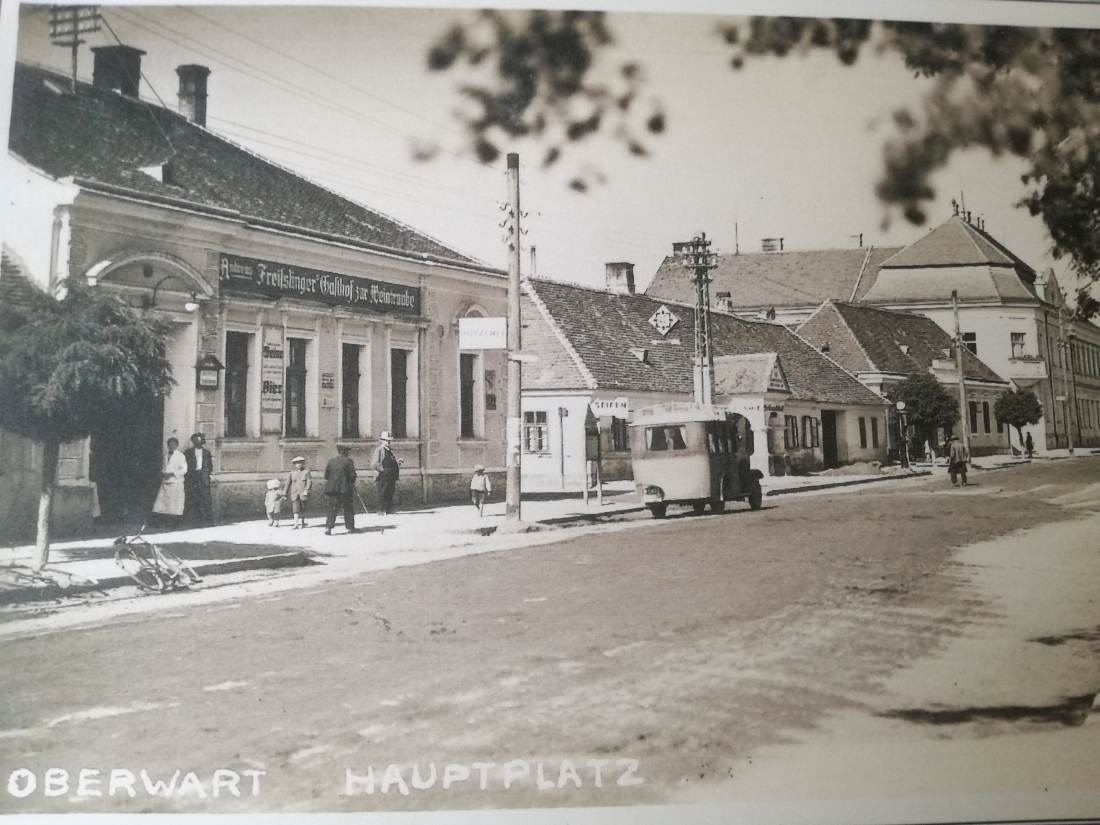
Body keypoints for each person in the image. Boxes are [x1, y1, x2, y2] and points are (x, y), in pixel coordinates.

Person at [151, 437, 186, 527]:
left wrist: (172, 474)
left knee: (174, 504)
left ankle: (175, 524)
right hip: (166, 482)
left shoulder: (180, 456)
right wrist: (163, 473)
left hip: (175, 482)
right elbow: (165, 467)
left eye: (173, 444)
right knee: (163, 503)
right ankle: (163, 523)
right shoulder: (166, 455)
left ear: (177, 445)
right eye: (169, 444)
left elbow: (184, 470)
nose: (171, 446)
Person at [323, 444, 357, 535]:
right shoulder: (349, 461)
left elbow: (326, 476)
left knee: (332, 508)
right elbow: (352, 476)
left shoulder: (331, 461)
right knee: (348, 508)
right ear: (346, 452)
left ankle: (328, 528)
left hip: (332, 489)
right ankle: (350, 528)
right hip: (345, 489)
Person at [183, 432, 215, 524]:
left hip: (203, 477)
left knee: (205, 498)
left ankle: (207, 520)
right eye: (195, 440)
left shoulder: (206, 453)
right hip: (192, 477)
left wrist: (206, 474)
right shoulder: (188, 452)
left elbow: (210, 466)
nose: (197, 442)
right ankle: (192, 520)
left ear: (202, 441)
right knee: (192, 498)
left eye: (199, 440)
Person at [372, 431, 401, 515]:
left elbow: (392, 461)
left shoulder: (390, 451)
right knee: (382, 492)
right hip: (383, 475)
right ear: (382, 441)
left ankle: (389, 509)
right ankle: (380, 510)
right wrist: (383, 470)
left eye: (389, 441)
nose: (388, 442)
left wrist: (397, 463)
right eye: (386, 440)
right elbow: (375, 463)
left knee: (390, 492)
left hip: (391, 475)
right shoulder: (379, 450)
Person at [284, 456, 313, 530]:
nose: (299, 465)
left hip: (303, 493)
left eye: (300, 463)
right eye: (297, 463)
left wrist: (306, 490)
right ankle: (295, 524)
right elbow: (287, 484)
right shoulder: (292, 473)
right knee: (295, 509)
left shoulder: (306, 472)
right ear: (295, 465)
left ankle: (302, 523)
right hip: (295, 494)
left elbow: (309, 482)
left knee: (303, 508)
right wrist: (285, 493)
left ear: (303, 463)